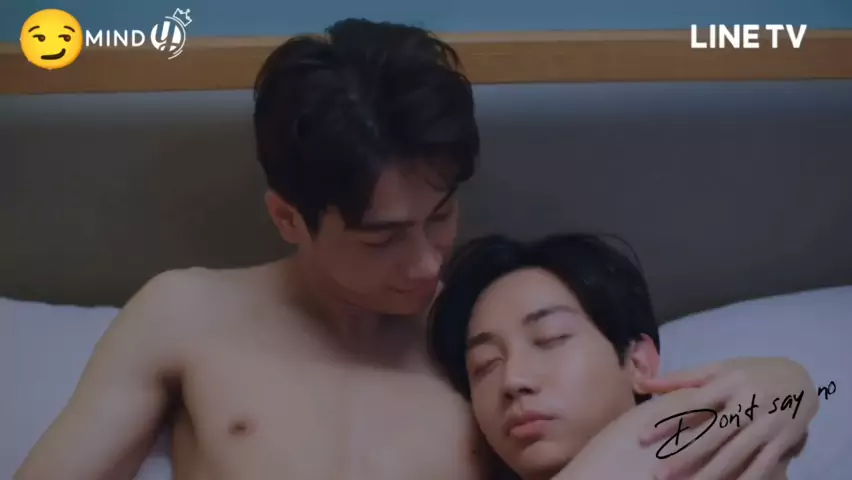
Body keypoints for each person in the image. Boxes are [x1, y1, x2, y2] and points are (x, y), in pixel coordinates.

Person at [15, 19, 812, 480]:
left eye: (441, 215)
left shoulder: (484, 337)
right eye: (382, 238)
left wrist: (792, 383)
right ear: (288, 218)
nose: (428, 263)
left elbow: (654, 417)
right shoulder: (188, 315)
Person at [428, 233, 817, 480]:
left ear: (638, 362)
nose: (513, 380)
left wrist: (791, 383)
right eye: (485, 365)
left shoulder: (715, 456)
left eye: (550, 338)